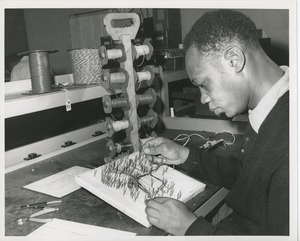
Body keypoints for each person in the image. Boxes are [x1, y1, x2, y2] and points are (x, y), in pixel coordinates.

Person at [143, 9, 289, 235]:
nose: (202, 98)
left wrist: (190, 227)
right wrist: (185, 155)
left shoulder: (290, 140)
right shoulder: (272, 106)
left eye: (203, 84)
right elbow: (251, 176)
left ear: (234, 60)